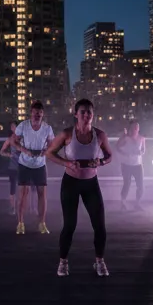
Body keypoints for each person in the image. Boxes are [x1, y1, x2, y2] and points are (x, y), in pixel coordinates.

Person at [45, 99, 112, 277]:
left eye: (89, 112)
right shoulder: (67, 134)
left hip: (91, 183)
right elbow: (49, 153)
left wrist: (101, 162)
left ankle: (99, 262)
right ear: (76, 114)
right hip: (71, 183)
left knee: (100, 226)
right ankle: (63, 262)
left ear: (93, 115)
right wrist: (67, 163)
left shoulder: (100, 135)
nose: (86, 115)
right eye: (83, 112)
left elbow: (109, 156)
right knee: (69, 225)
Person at [12, 100, 53, 235]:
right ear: (31, 113)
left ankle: (42, 224)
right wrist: (25, 150)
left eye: (40, 113)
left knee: (42, 194)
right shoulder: (23, 126)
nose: (37, 116)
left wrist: (45, 151)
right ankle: (20, 224)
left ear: (43, 114)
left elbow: (52, 144)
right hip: (24, 163)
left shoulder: (47, 128)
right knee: (23, 194)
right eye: (35, 113)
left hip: (40, 164)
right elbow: (14, 141)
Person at [114, 119, 146, 211]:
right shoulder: (125, 138)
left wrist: (140, 152)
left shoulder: (141, 138)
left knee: (140, 185)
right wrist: (123, 153)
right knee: (127, 184)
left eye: (137, 126)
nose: (136, 128)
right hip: (126, 165)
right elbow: (117, 147)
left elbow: (143, 150)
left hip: (138, 165)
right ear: (131, 127)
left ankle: (137, 203)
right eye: (134, 126)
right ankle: (123, 203)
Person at [0, 123, 20, 215]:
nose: (13, 128)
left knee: (25, 188)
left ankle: (25, 207)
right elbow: (1, 152)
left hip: (23, 167)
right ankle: (13, 208)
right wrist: (9, 154)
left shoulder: (23, 138)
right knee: (13, 189)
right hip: (13, 167)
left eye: (14, 126)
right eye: (12, 127)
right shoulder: (9, 139)